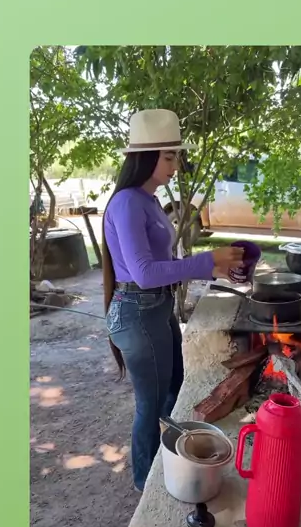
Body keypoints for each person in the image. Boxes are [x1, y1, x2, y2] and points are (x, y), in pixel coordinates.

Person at [102, 109, 244, 493]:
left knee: (174, 387)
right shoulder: (128, 203)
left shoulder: (148, 201)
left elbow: (162, 264)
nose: (176, 166)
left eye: (176, 156)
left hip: (156, 308)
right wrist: (208, 261)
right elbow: (145, 273)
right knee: (150, 405)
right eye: (169, 157)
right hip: (137, 312)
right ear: (144, 158)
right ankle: (144, 482)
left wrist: (214, 269)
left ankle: (165, 464)